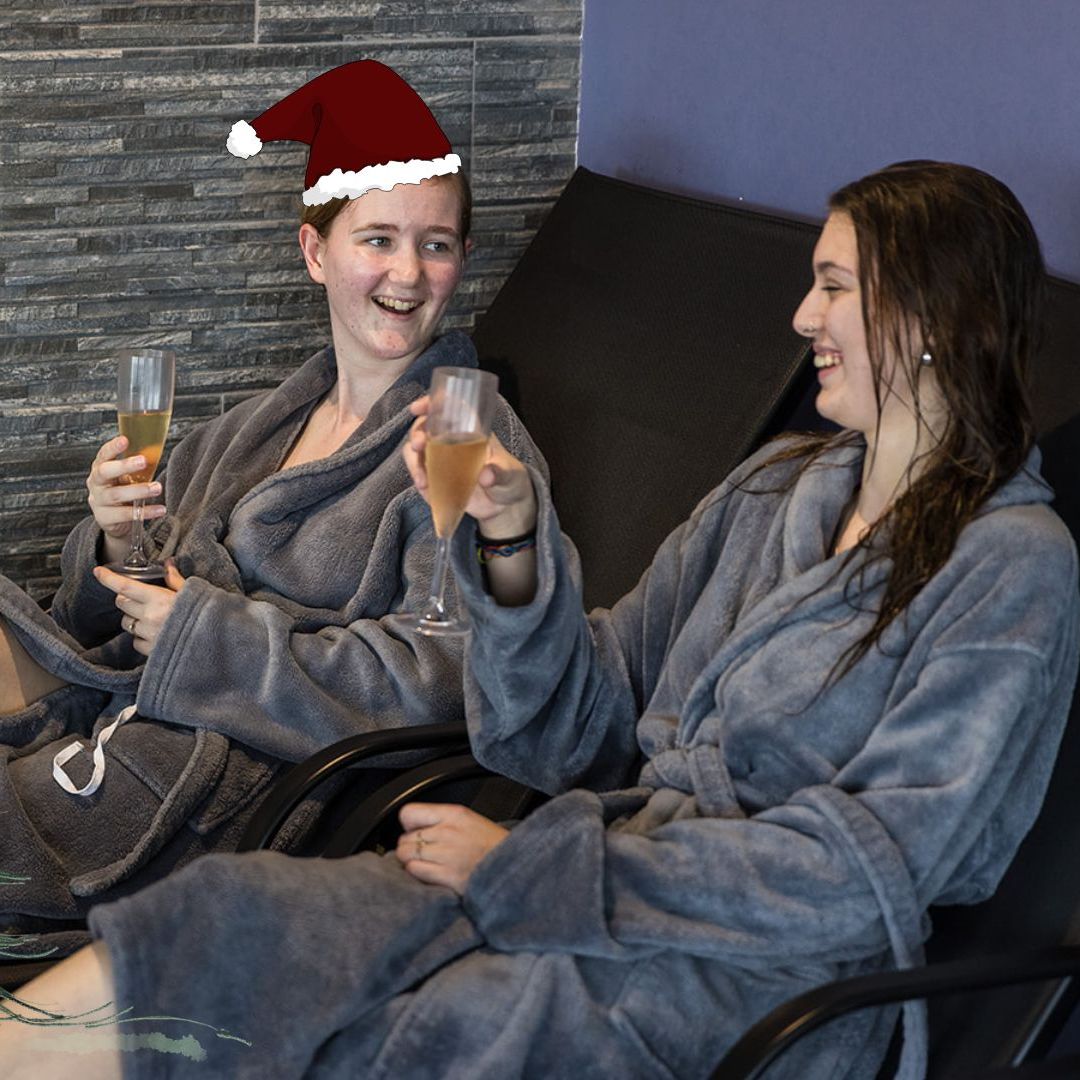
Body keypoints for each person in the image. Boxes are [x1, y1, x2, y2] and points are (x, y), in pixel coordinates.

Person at [3, 160, 1076, 1080]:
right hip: (579, 872)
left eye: (833, 286)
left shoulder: (1010, 566)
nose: (801, 320)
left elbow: (870, 871)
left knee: (422, 1028)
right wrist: (511, 542)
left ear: (933, 317)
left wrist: (534, 871)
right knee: (240, 918)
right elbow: (587, 715)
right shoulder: (773, 493)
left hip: (756, 971)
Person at [0, 61, 543, 946]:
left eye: (436, 244)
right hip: (131, 702)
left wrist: (207, 640)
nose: (408, 270)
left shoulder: (468, 445)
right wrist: (115, 537)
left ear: (461, 261)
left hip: (229, 773)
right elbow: (97, 614)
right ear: (314, 251)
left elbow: (447, 675)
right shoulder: (257, 424)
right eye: (378, 239)